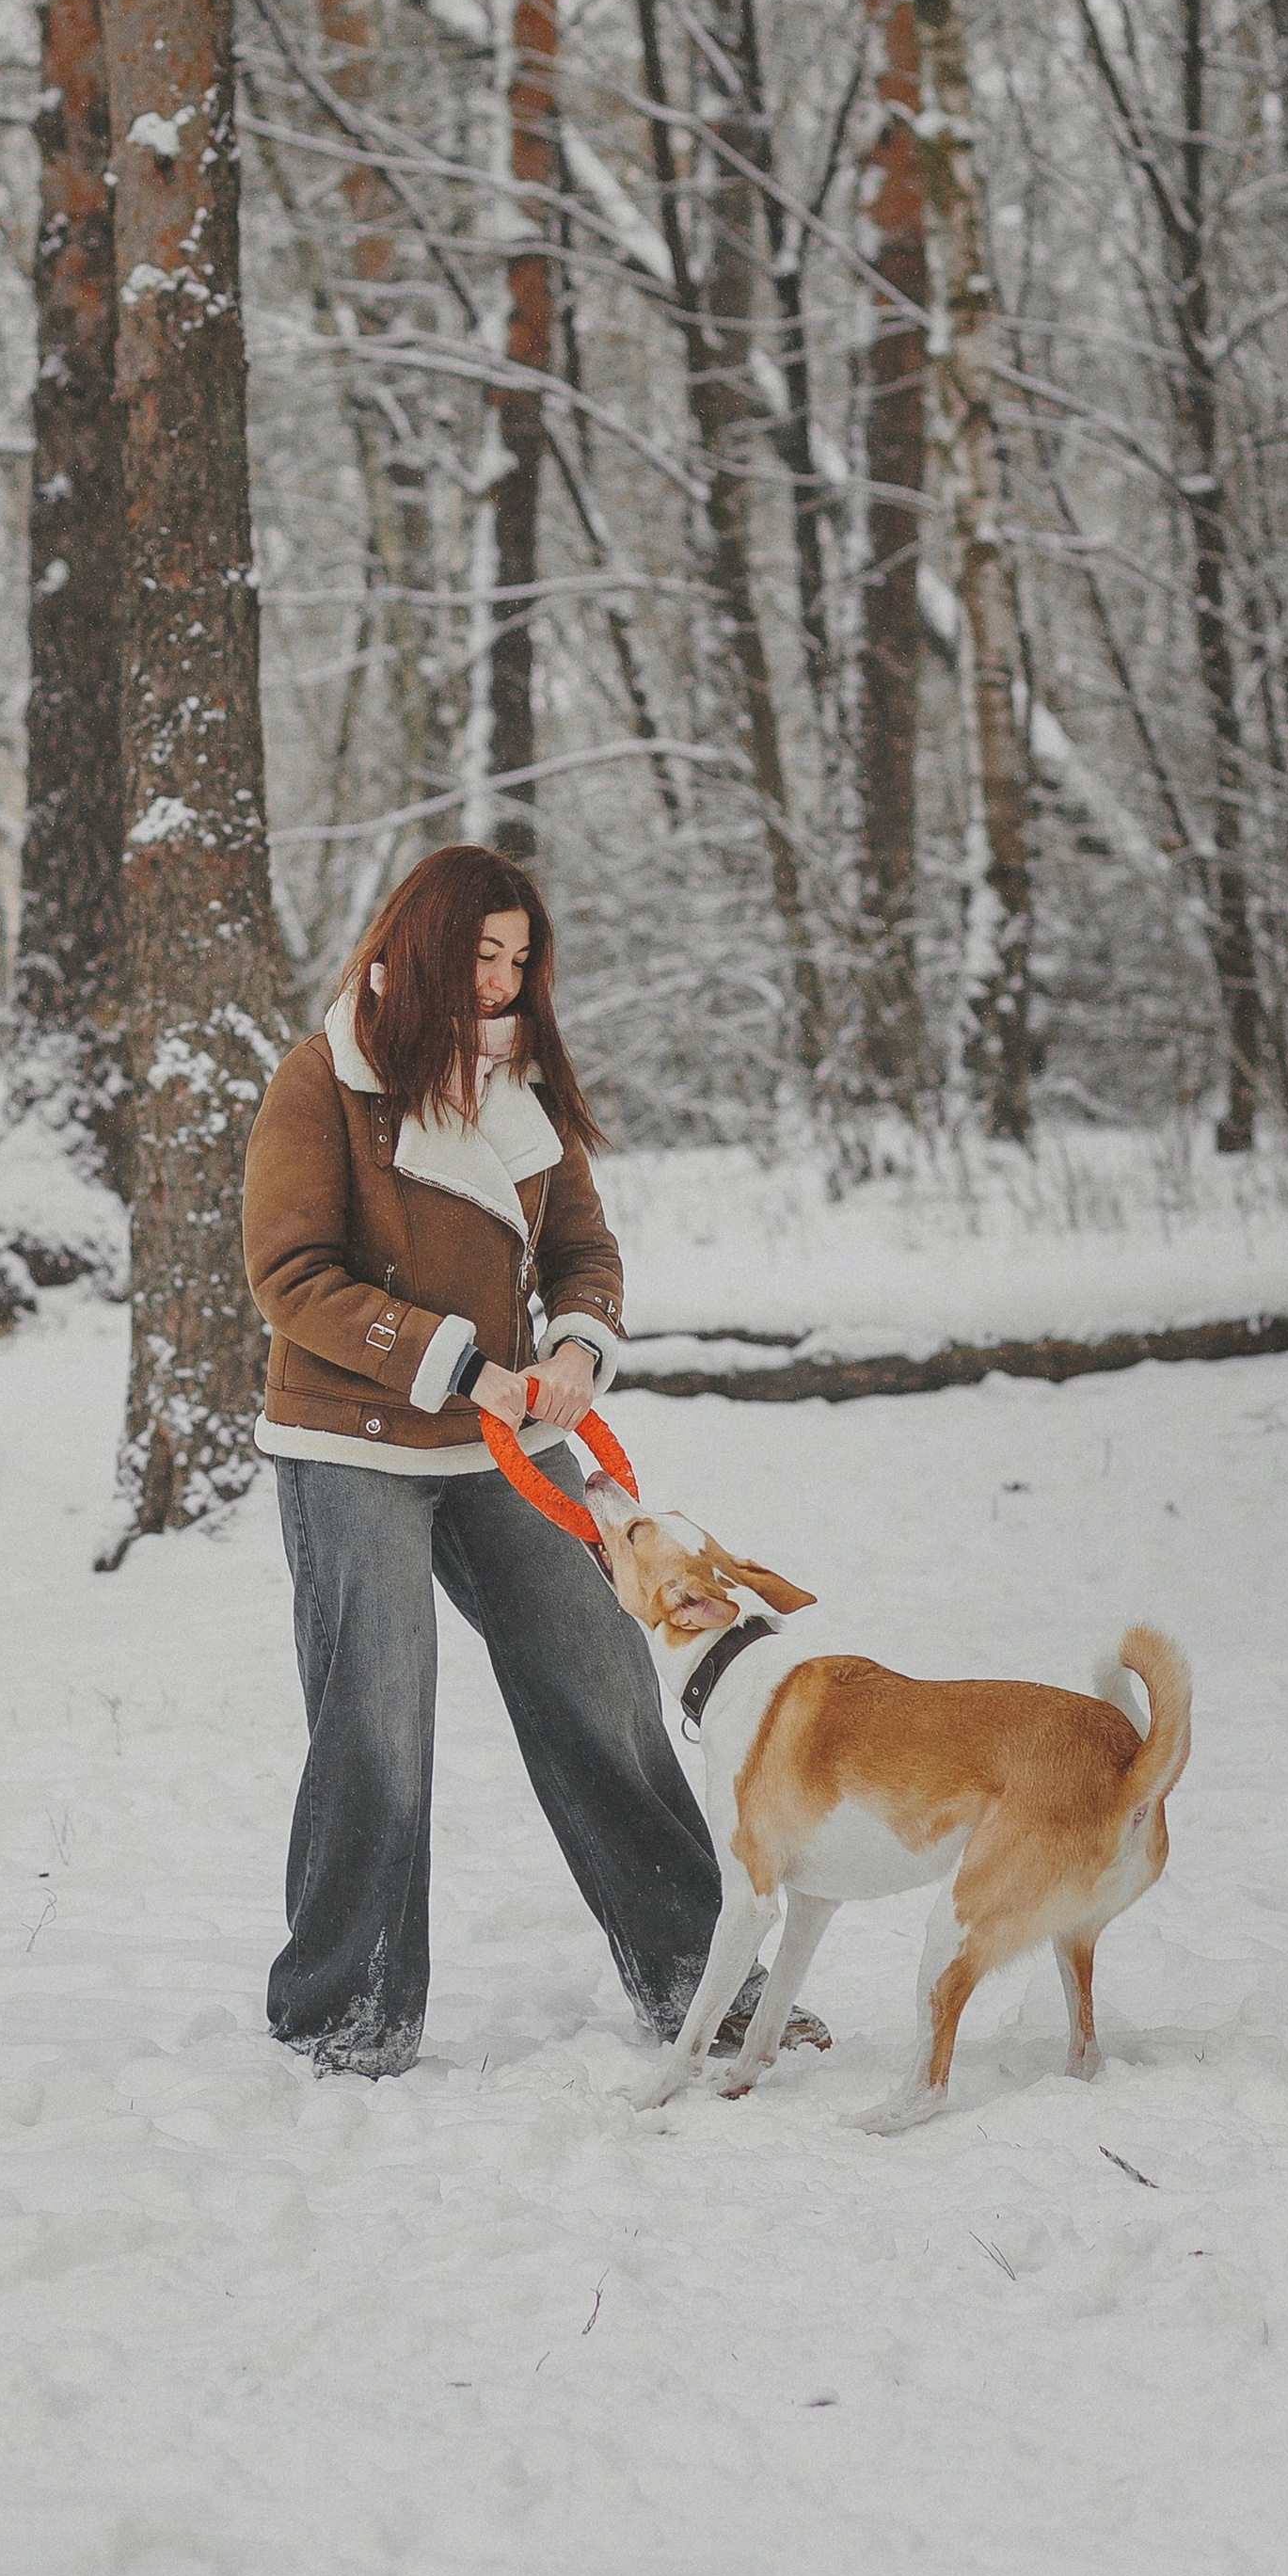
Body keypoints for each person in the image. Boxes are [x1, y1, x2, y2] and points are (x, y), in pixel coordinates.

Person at [243, 842, 749, 2077]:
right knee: (377, 1717)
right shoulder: (320, 1084)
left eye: (521, 959)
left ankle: (706, 1983)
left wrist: (578, 1345)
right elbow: (291, 1277)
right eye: (486, 953)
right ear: (421, 944)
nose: (506, 979)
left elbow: (584, 1246)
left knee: (605, 1688)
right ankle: (344, 2011)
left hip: (509, 1438)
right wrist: (459, 1360)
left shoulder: (515, 1086)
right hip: (352, 1438)